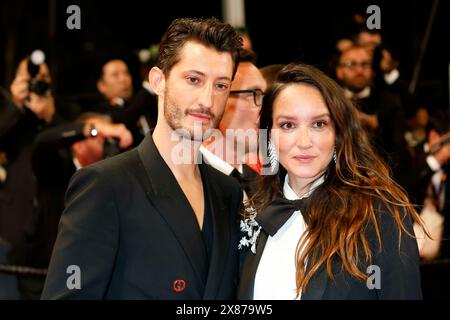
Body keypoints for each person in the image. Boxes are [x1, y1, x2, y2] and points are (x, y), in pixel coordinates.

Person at [41, 17, 242, 299]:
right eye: (193, 80)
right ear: (158, 81)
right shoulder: (105, 187)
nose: (208, 101)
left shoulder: (229, 192)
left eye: (221, 85)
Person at [238, 63, 424, 300]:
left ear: (338, 133)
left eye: (319, 124)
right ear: (268, 135)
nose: (304, 141)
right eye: (288, 125)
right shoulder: (254, 216)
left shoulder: (378, 214)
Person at [200, 49, 266, 200]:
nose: (266, 109)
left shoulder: (262, 182)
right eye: (254, 94)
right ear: (217, 99)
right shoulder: (192, 182)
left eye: (265, 96)